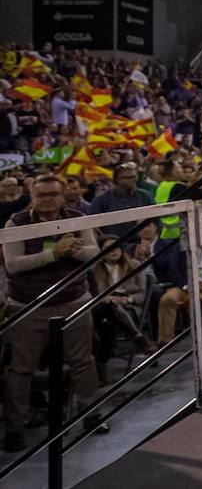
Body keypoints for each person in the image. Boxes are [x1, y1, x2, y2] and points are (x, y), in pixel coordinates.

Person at [2, 175, 105, 452]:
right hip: (28, 307)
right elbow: (13, 264)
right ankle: (15, 427)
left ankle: (91, 414)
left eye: (53, 194)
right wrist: (54, 254)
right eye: (41, 195)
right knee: (21, 369)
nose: (47, 200)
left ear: (63, 195)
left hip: (73, 301)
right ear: (31, 197)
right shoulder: (17, 223)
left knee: (83, 361)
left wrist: (75, 250)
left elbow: (94, 251)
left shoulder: (77, 217)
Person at [90, 234, 156, 382]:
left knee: (108, 323)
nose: (114, 251)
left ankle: (101, 366)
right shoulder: (95, 270)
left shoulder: (134, 265)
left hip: (129, 307)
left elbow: (141, 294)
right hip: (103, 305)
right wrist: (109, 299)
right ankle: (138, 337)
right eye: (108, 248)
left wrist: (128, 299)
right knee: (109, 309)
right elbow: (93, 295)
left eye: (117, 247)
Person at [90, 162, 154, 238]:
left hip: (139, 242)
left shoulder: (144, 196)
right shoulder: (102, 200)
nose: (134, 180)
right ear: (117, 180)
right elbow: (93, 227)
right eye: (129, 177)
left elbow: (154, 221)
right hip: (113, 244)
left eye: (134, 177)